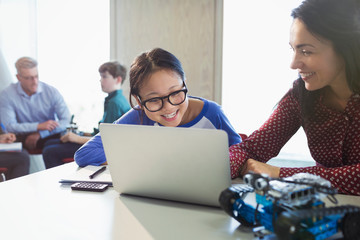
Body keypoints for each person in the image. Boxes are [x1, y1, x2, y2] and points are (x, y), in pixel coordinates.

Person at [229, 0, 360, 195]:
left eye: (306, 51)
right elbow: (253, 148)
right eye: (294, 49)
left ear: (346, 48)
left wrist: (280, 173)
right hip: (327, 214)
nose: (293, 63)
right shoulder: (302, 95)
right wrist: (216, 167)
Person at [75, 48, 241, 167]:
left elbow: (242, 155)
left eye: (175, 92)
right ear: (139, 102)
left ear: (184, 83)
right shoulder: (139, 116)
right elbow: (84, 154)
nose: (168, 107)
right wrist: (144, 159)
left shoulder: (213, 114)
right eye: (154, 99)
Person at [42, 61, 131, 168]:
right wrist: (82, 134)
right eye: (100, 77)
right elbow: (102, 132)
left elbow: (106, 139)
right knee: (49, 143)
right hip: (103, 143)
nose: (100, 80)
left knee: (49, 151)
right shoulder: (115, 99)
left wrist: (76, 138)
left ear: (118, 79)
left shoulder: (114, 103)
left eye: (104, 77)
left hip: (105, 149)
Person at [0, 57, 71, 151]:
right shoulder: (7, 95)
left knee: (52, 147)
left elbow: (66, 121)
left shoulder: (51, 92)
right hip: (21, 136)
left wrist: (40, 133)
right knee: (17, 150)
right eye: (28, 78)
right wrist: (38, 126)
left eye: (36, 76)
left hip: (48, 133)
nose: (35, 82)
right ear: (18, 77)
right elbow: (9, 126)